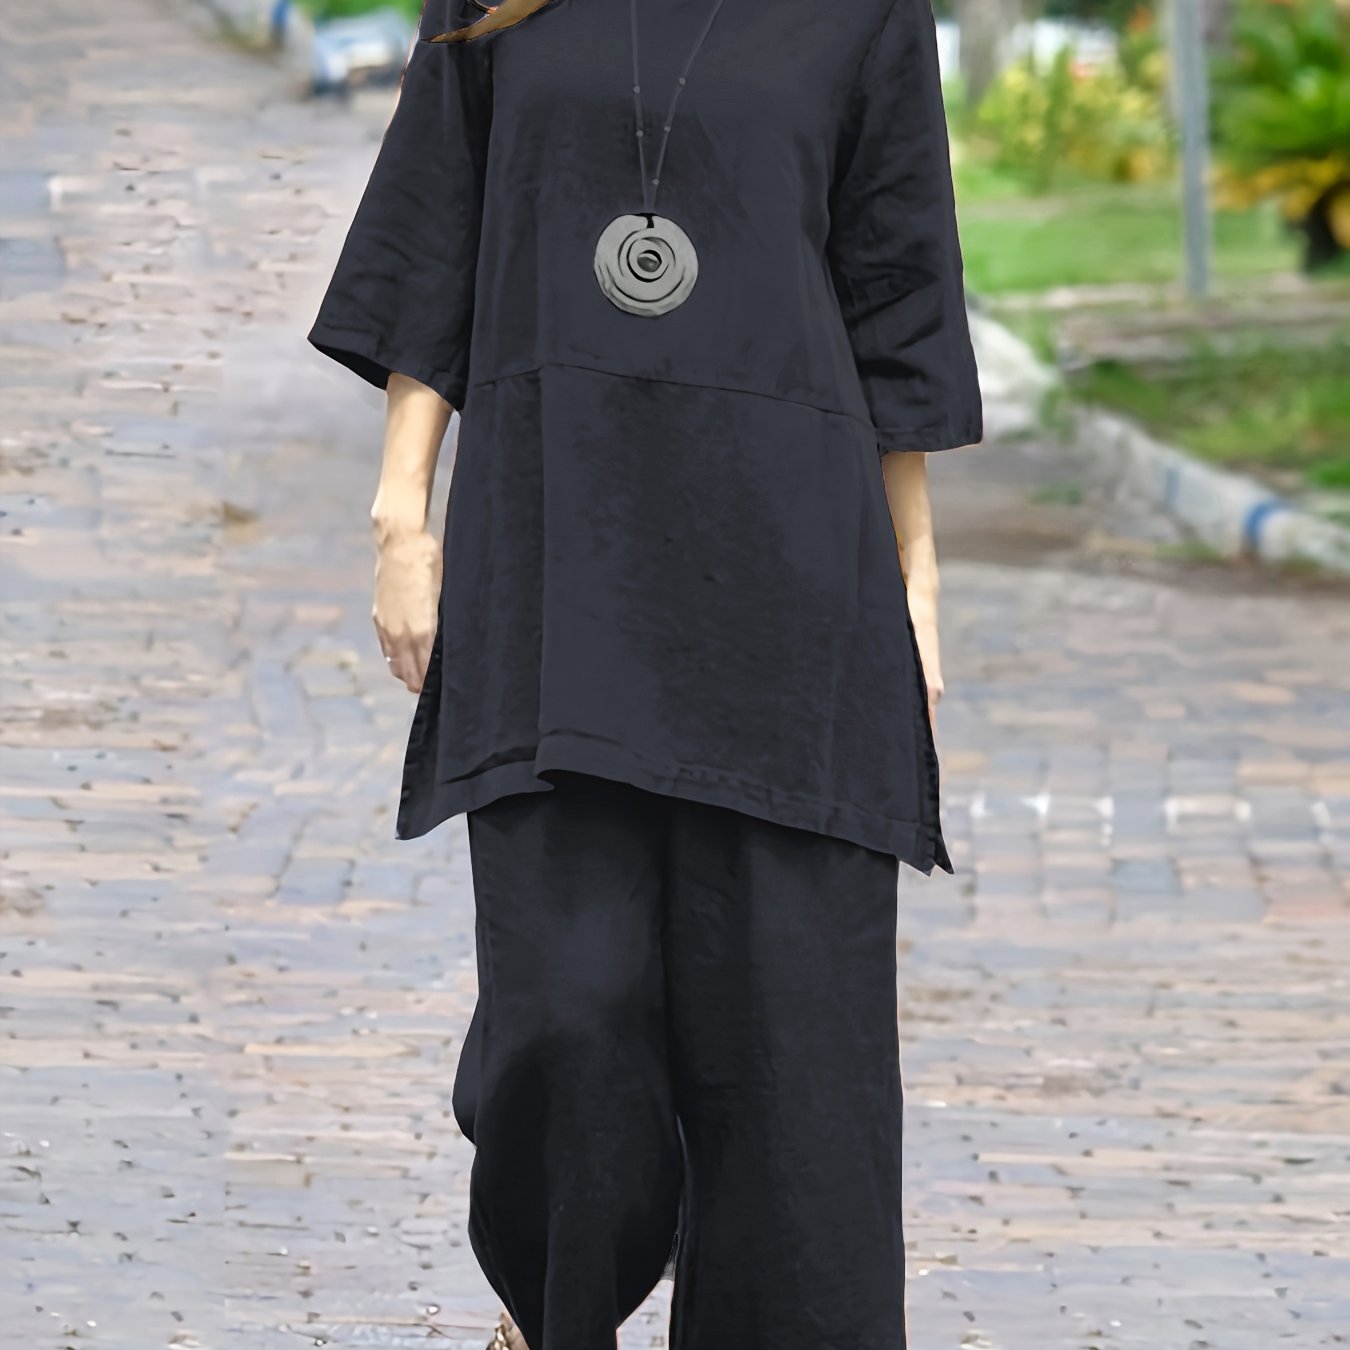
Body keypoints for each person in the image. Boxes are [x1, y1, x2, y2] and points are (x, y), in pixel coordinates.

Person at [306, 0, 982, 1344]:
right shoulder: (496, 7)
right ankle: (557, 1297)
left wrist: (915, 575)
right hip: (557, 559)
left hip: (792, 582)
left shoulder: (862, 14)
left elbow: (894, 288)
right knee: (564, 1017)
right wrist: (400, 516)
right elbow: (431, 239)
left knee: (792, 1055)